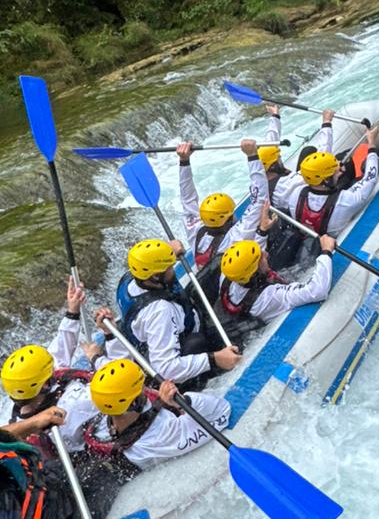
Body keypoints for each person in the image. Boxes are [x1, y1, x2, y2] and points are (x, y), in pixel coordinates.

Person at [0, 275, 104, 465]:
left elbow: (58, 353)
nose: (54, 368)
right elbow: (114, 387)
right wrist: (97, 357)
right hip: (95, 449)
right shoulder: (71, 406)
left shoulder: (21, 405)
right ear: (46, 384)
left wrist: (72, 311)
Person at [75, 357, 231, 483]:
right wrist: (183, 401)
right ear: (134, 403)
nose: (146, 389)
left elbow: (112, 384)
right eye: (141, 389)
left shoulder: (102, 422)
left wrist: (97, 358)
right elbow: (221, 412)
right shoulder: (163, 435)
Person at [108, 237, 240, 383]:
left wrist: (167, 252)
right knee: (235, 331)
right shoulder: (160, 312)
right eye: (170, 267)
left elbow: (148, 259)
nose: (173, 269)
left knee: (216, 264)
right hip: (182, 344)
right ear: (156, 276)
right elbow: (166, 368)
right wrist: (214, 359)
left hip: (185, 312)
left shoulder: (131, 277)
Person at [270, 120, 379, 264]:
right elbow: (370, 178)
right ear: (325, 180)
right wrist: (371, 144)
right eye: (336, 172)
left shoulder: (294, 196)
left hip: (312, 238)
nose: (341, 170)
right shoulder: (347, 201)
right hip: (336, 237)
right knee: (374, 162)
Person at [217, 213, 338, 340]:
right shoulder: (269, 297)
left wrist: (262, 231)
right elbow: (317, 291)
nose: (266, 254)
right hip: (264, 318)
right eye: (261, 257)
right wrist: (326, 252)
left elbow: (249, 260)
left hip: (242, 309)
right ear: (255, 271)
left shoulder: (227, 275)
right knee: (313, 245)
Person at [176, 138, 272, 296]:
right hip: (233, 286)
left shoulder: (195, 230)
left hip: (213, 287)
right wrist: (252, 156)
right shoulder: (237, 235)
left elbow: (187, 199)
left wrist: (184, 161)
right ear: (229, 218)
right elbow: (260, 198)